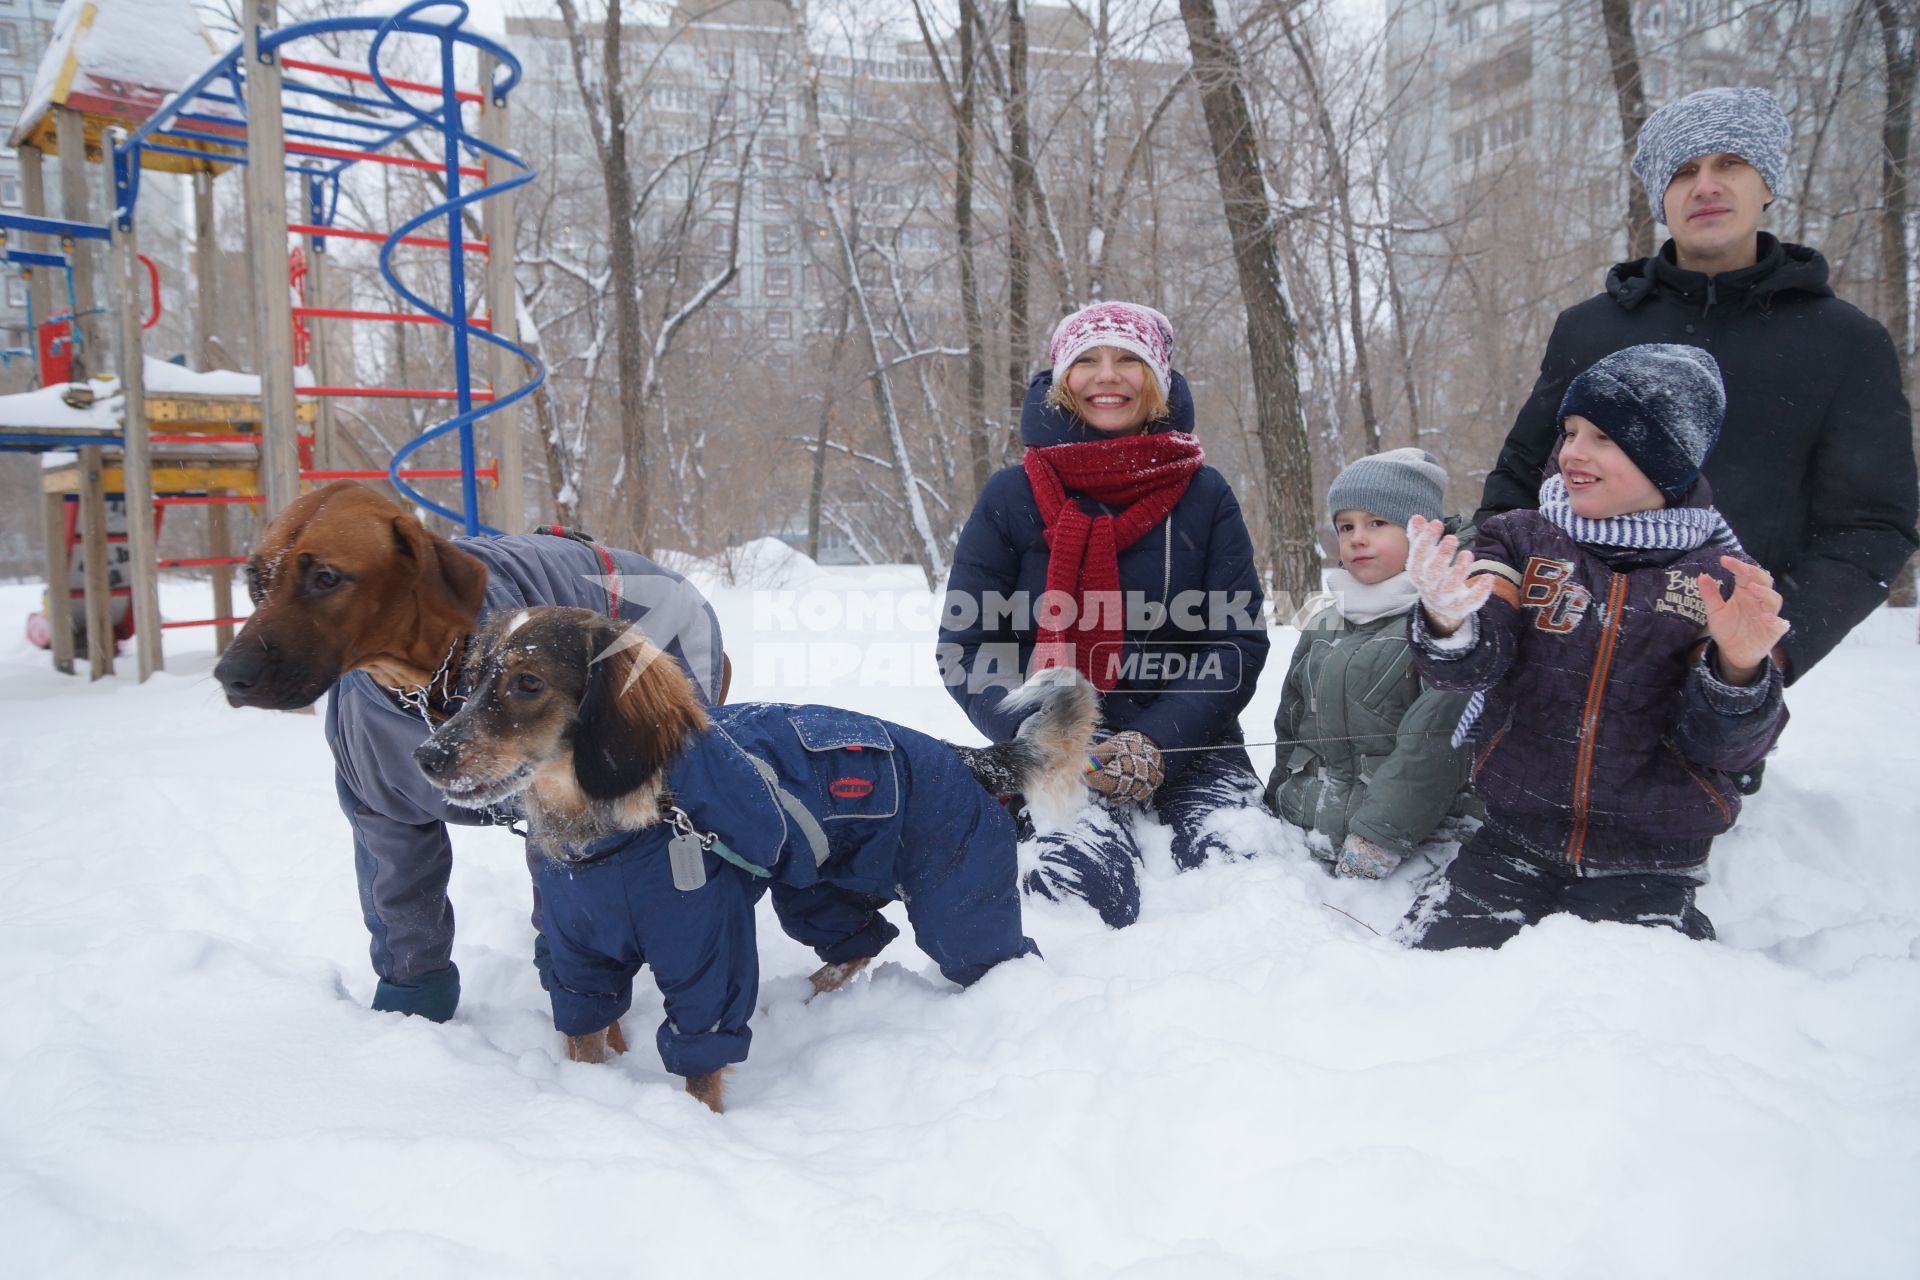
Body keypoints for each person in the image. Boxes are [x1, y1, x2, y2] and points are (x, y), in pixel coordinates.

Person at [1477, 86, 1917, 692]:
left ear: (1767, 184)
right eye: (1684, 171)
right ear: (1662, 196)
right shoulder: (1591, 328)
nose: (1706, 185)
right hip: (1559, 659)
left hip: (1716, 679)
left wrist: (1770, 647)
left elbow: (1873, 525)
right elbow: (1519, 478)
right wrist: (1499, 591)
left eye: (1729, 163)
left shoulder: (1844, 342)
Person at [1401, 344, 1789, 950]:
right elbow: (1477, 662)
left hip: (1649, 858)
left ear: (1667, 460)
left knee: (1623, 1013)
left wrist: (1739, 667)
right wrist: (1449, 619)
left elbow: (1727, 751)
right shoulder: (1520, 539)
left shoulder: (1723, 579)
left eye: (1604, 437)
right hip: (1513, 836)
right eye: (1571, 431)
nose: (1571, 452)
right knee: (1430, 975)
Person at [939, 301, 1270, 928]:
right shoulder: (1011, 496)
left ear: (1159, 380)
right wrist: (1055, 739)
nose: (1107, 376)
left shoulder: (1206, 494)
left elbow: (1236, 644)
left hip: (1191, 742)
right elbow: (969, 646)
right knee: (1076, 896)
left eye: (1129, 360)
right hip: (1059, 748)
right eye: (1087, 360)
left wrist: (1157, 741)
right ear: (1063, 380)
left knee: (1241, 883)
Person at [1266, 449, 1475, 880]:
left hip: (1410, 850)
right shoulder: (1326, 617)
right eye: (1346, 526)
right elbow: (1291, 723)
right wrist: (1276, 803)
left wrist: (1379, 837)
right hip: (1307, 840)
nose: (1357, 538)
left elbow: (1435, 746)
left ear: (1422, 534)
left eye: (1377, 523)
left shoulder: (1447, 619)